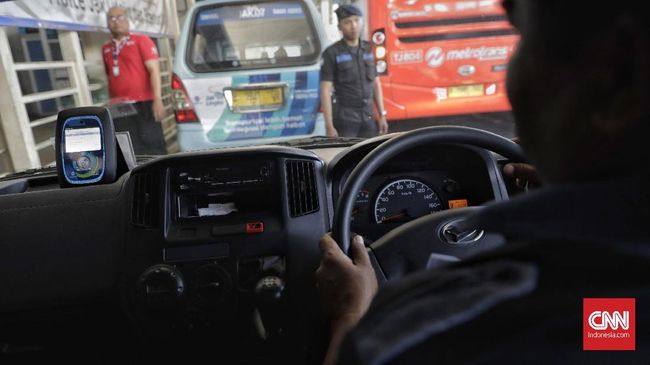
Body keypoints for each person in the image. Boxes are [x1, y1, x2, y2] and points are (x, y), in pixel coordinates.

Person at [316, 0, 650, 364]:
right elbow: (611, 331)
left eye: (525, 40)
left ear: (617, 76)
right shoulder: (610, 306)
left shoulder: (430, 331)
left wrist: (350, 314)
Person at [102, 6, 167, 155]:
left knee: (153, 144)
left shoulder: (141, 40)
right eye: (111, 18)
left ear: (127, 20)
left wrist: (157, 99)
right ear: (107, 23)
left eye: (120, 17)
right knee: (128, 147)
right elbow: (110, 76)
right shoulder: (106, 47)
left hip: (144, 103)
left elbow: (154, 71)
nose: (116, 22)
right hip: (119, 106)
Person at [320, 4, 388, 138]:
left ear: (362, 22)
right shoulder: (331, 53)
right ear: (340, 27)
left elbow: (375, 83)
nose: (353, 26)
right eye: (348, 22)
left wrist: (382, 115)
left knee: (370, 154)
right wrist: (329, 126)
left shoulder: (369, 49)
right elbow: (325, 90)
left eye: (357, 20)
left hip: (368, 116)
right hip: (346, 118)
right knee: (347, 156)